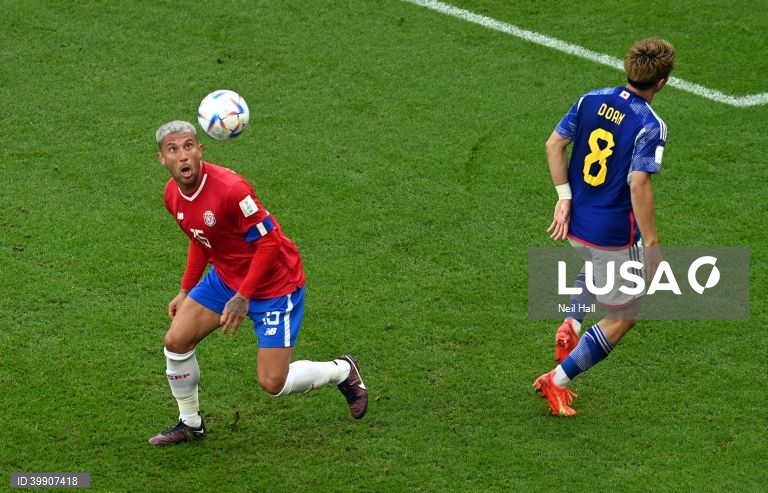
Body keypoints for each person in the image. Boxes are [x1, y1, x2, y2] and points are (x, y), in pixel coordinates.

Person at [148, 120, 368, 445]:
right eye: (173, 150)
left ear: (200, 150)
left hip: (275, 286)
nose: (183, 157)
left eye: (189, 147)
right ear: (162, 159)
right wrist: (185, 290)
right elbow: (200, 239)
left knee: (273, 383)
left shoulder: (232, 189)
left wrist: (243, 295)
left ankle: (341, 371)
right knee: (176, 342)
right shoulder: (173, 196)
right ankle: (190, 422)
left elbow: (269, 243)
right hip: (227, 278)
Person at [534, 38, 676, 416]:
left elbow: (553, 145)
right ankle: (557, 380)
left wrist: (564, 196)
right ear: (661, 82)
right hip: (612, 233)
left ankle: (572, 321)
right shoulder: (651, 124)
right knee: (624, 316)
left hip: (575, 224)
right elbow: (639, 183)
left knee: (594, 265)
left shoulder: (591, 98)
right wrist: (652, 241)